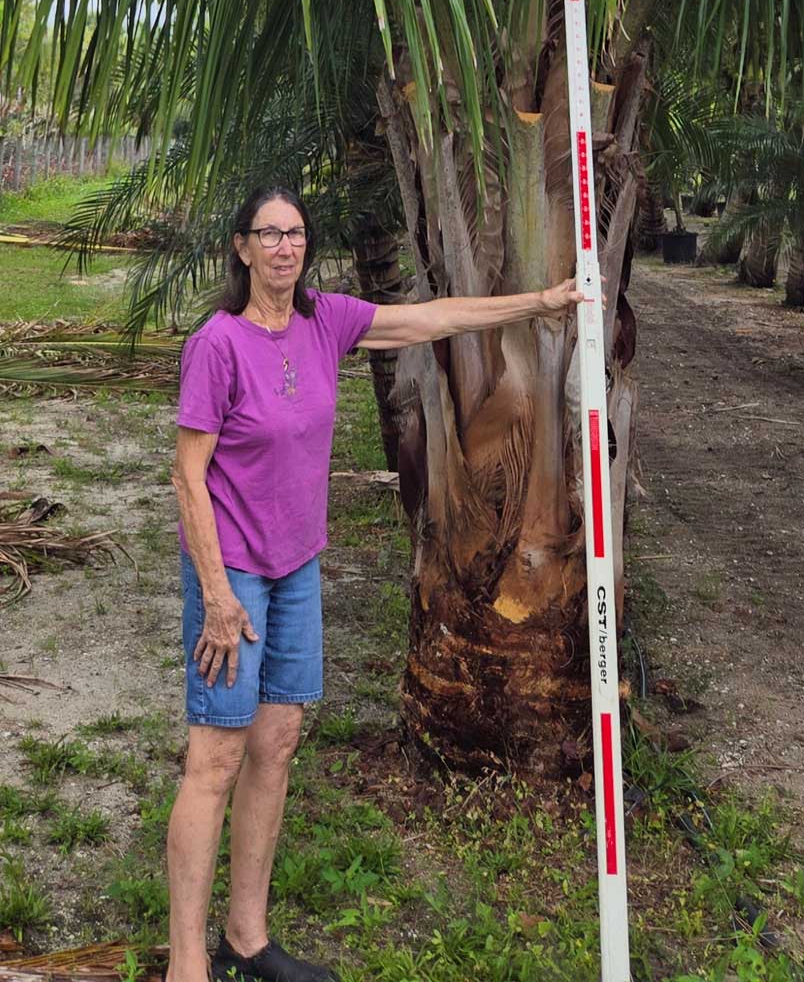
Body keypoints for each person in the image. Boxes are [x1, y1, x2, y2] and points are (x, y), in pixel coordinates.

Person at [165, 184, 581, 982]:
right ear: (241, 248)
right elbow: (188, 476)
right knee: (214, 757)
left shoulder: (327, 322)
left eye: (295, 234)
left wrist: (541, 300)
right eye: (268, 234)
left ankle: (245, 939)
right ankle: (187, 963)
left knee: (278, 744)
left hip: (297, 567)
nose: (284, 247)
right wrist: (216, 596)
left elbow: (433, 319)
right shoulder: (217, 343)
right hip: (235, 572)